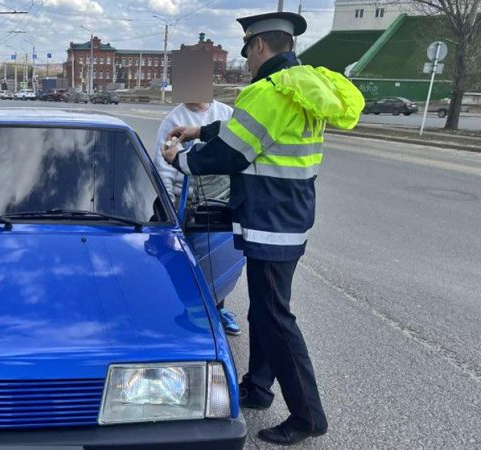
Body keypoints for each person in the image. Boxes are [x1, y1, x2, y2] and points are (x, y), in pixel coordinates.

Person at [161, 11, 364, 446]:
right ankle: (257, 387)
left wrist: (180, 159)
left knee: (275, 318)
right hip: (289, 216)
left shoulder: (267, 91)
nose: (248, 62)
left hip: (270, 221)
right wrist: (201, 128)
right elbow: (252, 130)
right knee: (265, 311)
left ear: (258, 46)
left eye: (247, 52)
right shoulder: (301, 88)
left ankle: (309, 415)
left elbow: (230, 154)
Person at [154, 101, 242, 336]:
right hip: (188, 204)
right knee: (186, 260)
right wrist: (169, 207)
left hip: (222, 201)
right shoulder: (174, 120)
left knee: (219, 258)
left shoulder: (226, 113)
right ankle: (188, 308)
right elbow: (163, 167)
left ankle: (217, 309)